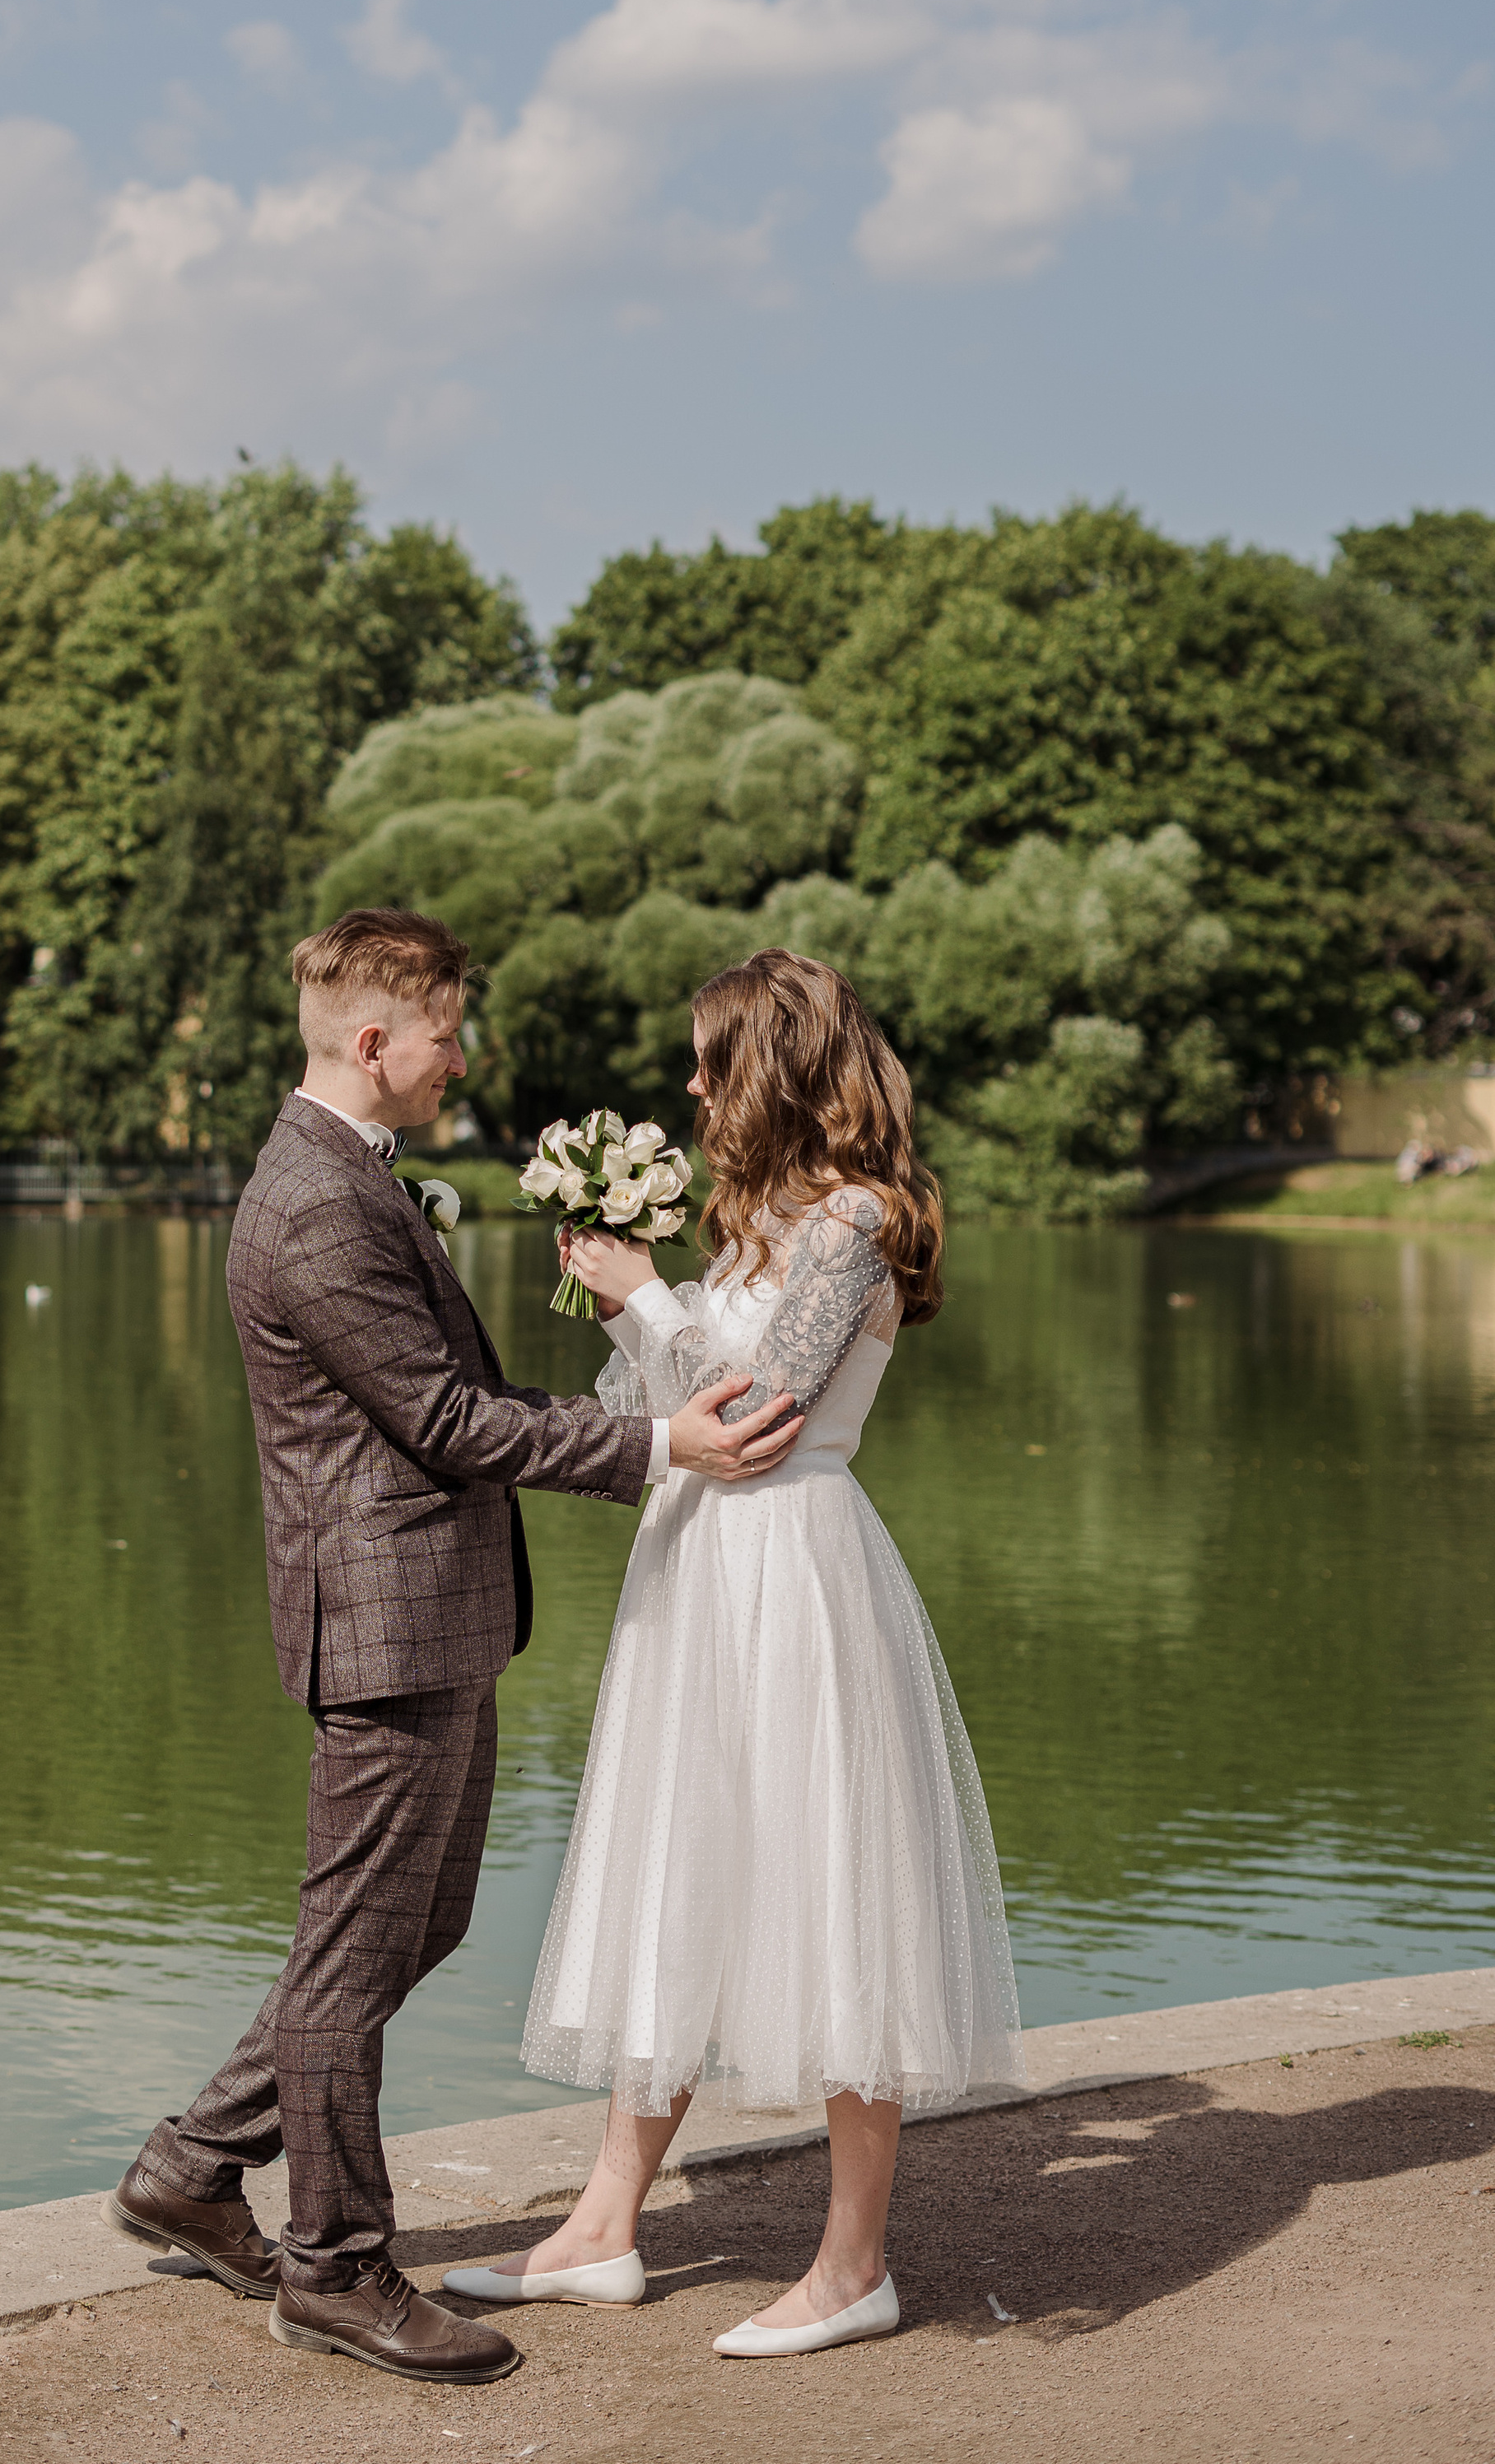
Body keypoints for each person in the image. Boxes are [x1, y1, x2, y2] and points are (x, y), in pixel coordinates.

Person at [105, 907, 806, 2388]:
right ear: (374, 1042)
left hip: (427, 1614)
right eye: (444, 1032)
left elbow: (444, 1394)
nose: (459, 1055)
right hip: (385, 1625)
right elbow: (440, 1420)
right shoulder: (314, 1204)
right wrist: (654, 1445)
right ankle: (339, 2265)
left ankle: (191, 2167)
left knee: (405, 1931)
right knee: (353, 1958)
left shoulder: (353, 1181)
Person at [444, 949, 1022, 2359]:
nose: (691, 1084)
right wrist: (627, 1297)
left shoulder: (854, 1224)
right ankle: (603, 2228)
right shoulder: (761, 1228)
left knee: (832, 1898)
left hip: (795, 1576)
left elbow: (759, 1418)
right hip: (699, 1570)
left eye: (711, 1060)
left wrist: (644, 1295)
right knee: (674, 1865)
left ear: (775, 1069)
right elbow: (662, 1407)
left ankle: (854, 2266)